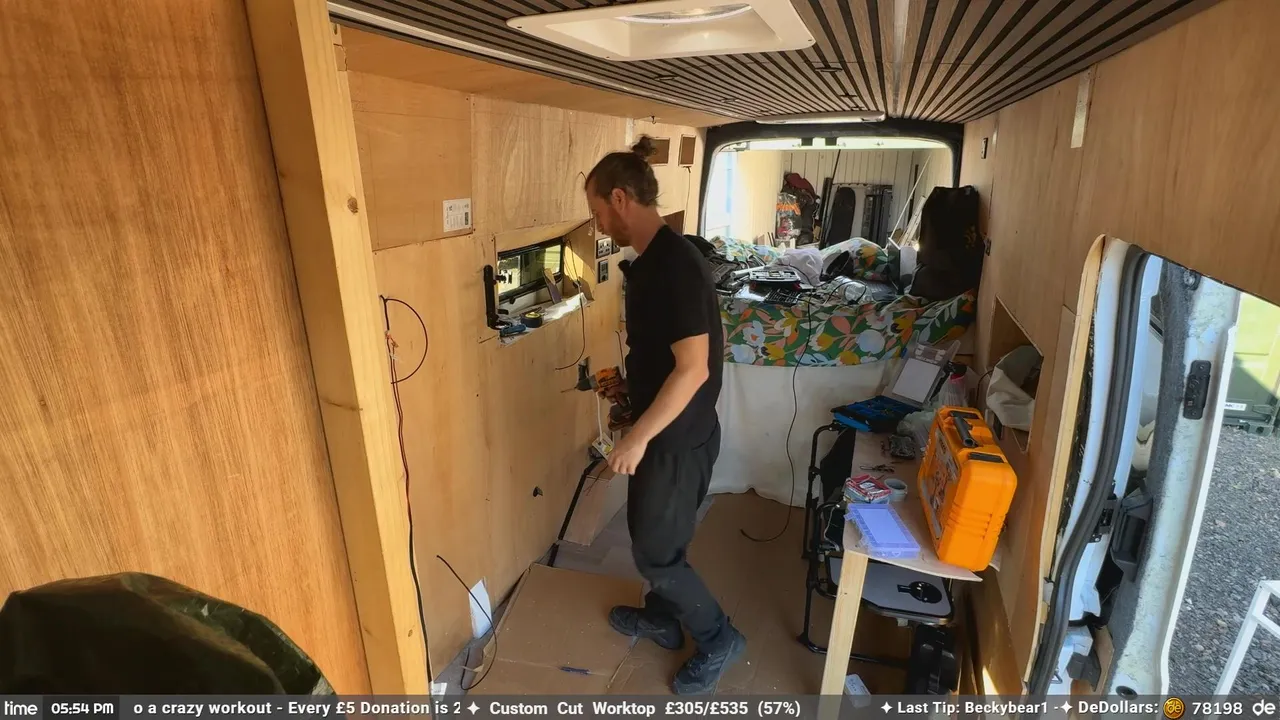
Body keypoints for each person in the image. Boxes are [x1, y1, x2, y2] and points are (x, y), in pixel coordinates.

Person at [583, 136, 744, 694]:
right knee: (652, 535)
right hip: (664, 432)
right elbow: (666, 356)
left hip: (676, 440)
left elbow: (693, 370)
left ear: (620, 198)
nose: (598, 225)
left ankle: (720, 639)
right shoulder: (653, 262)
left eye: (597, 212)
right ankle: (663, 617)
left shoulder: (674, 266)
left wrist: (636, 439)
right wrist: (632, 393)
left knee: (657, 554)